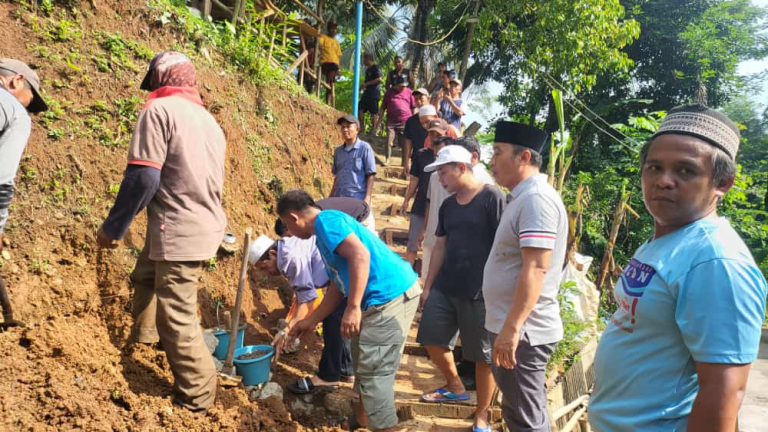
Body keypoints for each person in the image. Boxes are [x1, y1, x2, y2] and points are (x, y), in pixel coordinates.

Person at [589, 105, 768, 432]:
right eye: (654, 167)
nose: (663, 181)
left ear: (723, 183)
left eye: (686, 171)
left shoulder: (716, 262)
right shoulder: (665, 241)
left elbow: (724, 392)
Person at [95, 52, 225, 412]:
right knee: (145, 275)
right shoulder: (207, 120)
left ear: (160, 79)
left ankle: (198, 396)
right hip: (197, 222)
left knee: (177, 315)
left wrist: (113, 227)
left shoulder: (158, 111)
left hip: (178, 227)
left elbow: (144, 177)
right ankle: (145, 337)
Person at [280, 190, 421, 432]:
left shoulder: (326, 222)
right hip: (383, 297)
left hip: (390, 296)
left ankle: (385, 427)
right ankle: (363, 420)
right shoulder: (324, 230)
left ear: (293, 218)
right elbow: (338, 283)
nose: (289, 231)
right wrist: (311, 320)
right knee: (362, 360)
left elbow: (360, 255)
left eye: (285, 225)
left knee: (375, 373)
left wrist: (353, 308)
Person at [482, 121, 567, 432]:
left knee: (526, 418)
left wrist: (512, 328)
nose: (492, 161)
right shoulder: (521, 197)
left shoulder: (536, 201)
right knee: (519, 410)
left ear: (525, 157)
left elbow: (536, 268)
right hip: (515, 329)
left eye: (498, 152)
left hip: (524, 333)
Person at [416, 145, 505, 432]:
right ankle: (455, 385)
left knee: (481, 355)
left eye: (443, 172)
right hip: (446, 284)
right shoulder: (448, 205)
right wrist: (427, 286)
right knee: (430, 337)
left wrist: (501, 289)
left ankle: (482, 414)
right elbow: (440, 246)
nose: (440, 179)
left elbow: (505, 247)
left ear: (461, 168)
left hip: (479, 290)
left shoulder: (492, 197)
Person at [248, 233, 354, 394]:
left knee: (333, 320)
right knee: (335, 318)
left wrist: (286, 330)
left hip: (349, 274)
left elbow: (308, 301)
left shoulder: (289, 258)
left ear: (272, 254)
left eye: (264, 267)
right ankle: (346, 369)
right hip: (343, 275)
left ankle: (328, 377)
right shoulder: (288, 248)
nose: (266, 273)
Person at [0, 58, 48, 327]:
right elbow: (1, 178)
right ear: (16, 81)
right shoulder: (12, 107)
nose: (26, 109)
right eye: (28, 101)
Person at [398, 134, 448, 266]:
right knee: (413, 243)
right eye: (432, 134)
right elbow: (415, 179)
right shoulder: (422, 155)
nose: (434, 137)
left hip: (440, 212)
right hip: (421, 206)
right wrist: (406, 199)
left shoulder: (452, 175)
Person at [330, 115, 376, 204]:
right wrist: (330, 197)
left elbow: (371, 175)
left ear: (357, 130)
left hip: (356, 199)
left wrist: (367, 197)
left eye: (348, 126)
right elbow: (337, 177)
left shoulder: (364, 148)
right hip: (339, 197)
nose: (345, 130)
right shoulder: (338, 151)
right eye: (343, 127)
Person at [380, 75, 416, 165]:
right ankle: (387, 159)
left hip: (404, 121)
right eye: (401, 85)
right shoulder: (389, 92)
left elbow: (413, 107)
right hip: (391, 121)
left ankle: (404, 161)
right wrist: (379, 120)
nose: (403, 87)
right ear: (397, 84)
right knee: (389, 139)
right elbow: (383, 107)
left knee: (404, 142)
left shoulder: (409, 92)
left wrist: (414, 119)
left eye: (404, 85)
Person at [402, 88, 434, 175]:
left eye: (421, 98)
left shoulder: (437, 117)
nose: (419, 101)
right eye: (416, 99)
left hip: (434, 159)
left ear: (428, 99)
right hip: (417, 159)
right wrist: (406, 162)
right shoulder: (411, 121)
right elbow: (408, 142)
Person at [318, 19, 342, 105]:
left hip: (334, 67)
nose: (333, 30)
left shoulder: (337, 43)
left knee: (331, 82)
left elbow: (338, 56)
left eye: (335, 29)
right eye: (332, 28)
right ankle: (328, 83)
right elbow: (319, 45)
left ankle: (328, 103)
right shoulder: (323, 37)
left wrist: (339, 70)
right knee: (333, 69)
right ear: (328, 29)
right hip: (325, 63)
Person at [359, 53, 382, 134]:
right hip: (367, 93)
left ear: (369, 59)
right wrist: (363, 86)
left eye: (364, 59)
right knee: (360, 108)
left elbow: (379, 79)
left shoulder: (376, 67)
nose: (363, 61)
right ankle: (362, 129)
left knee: (373, 112)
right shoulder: (368, 70)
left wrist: (367, 84)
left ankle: (374, 131)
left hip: (374, 93)